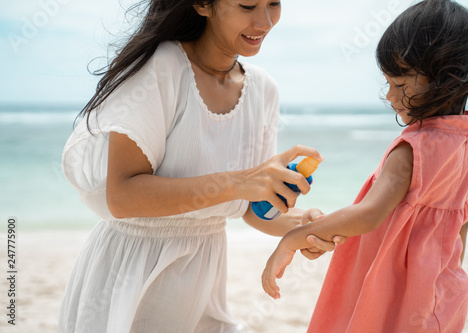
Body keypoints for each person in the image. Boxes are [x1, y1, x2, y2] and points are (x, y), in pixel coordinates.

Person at [59, 0, 336, 332]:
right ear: (203, 4)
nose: (264, 21)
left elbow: (250, 208)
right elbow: (122, 196)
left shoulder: (263, 90)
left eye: (274, 3)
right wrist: (240, 182)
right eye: (248, 5)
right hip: (133, 275)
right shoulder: (160, 69)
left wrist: (302, 226)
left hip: (206, 279)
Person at [262, 0, 468, 332]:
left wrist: (293, 238)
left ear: (444, 78)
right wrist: (443, 278)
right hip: (439, 289)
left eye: (400, 84)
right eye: (388, 83)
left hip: (391, 293)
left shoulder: (413, 149)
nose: (390, 96)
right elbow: (461, 222)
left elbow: (368, 214)